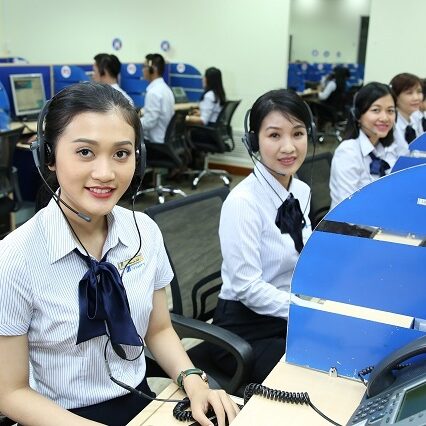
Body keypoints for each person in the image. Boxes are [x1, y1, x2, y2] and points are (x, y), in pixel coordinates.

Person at [0, 83, 238, 426]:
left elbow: (158, 330)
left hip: (141, 402)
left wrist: (193, 380)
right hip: (57, 416)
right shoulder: (15, 258)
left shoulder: (143, 231)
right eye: (85, 152)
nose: (106, 173)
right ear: (48, 156)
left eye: (121, 154)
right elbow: (10, 393)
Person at [211, 89, 312, 384]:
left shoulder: (301, 190)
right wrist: (305, 309)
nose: (288, 147)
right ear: (255, 141)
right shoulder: (242, 203)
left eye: (298, 133)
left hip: (286, 316)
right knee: (310, 375)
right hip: (243, 330)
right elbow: (247, 288)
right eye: (274, 135)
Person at [329, 82, 398, 208]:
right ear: (358, 115)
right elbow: (348, 208)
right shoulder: (348, 152)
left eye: (390, 111)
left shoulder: (385, 150)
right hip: (350, 219)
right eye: (376, 110)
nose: (385, 118)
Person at [141, 53, 175, 144]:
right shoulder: (166, 89)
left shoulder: (153, 92)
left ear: (153, 69)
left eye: (144, 67)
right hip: (165, 140)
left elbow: (149, 122)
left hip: (155, 143)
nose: (142, 70)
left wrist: (132, 123)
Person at [389, 72, 424, 151]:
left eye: (419, 92)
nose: (416, 98)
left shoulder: (416, 118)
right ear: (395, 96)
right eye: (409, 93)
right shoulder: (391, 123)